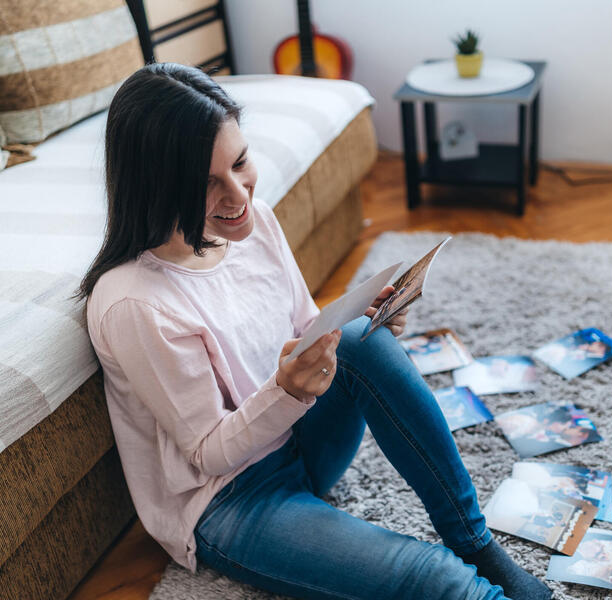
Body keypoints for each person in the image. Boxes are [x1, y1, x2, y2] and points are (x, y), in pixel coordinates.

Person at [77, 63, 551, 600]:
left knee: (354, 341)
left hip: (300, 441)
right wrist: (289, 390)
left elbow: (307, 330)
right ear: (157, 187)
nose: (238, 195)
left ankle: (473, 540)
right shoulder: (135, 303)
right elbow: (207, 454)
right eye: (207, 184)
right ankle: (470, 577)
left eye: (240, 163)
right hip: (231, 500)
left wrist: (367, 321)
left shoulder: (253, 224)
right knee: (434, 581)